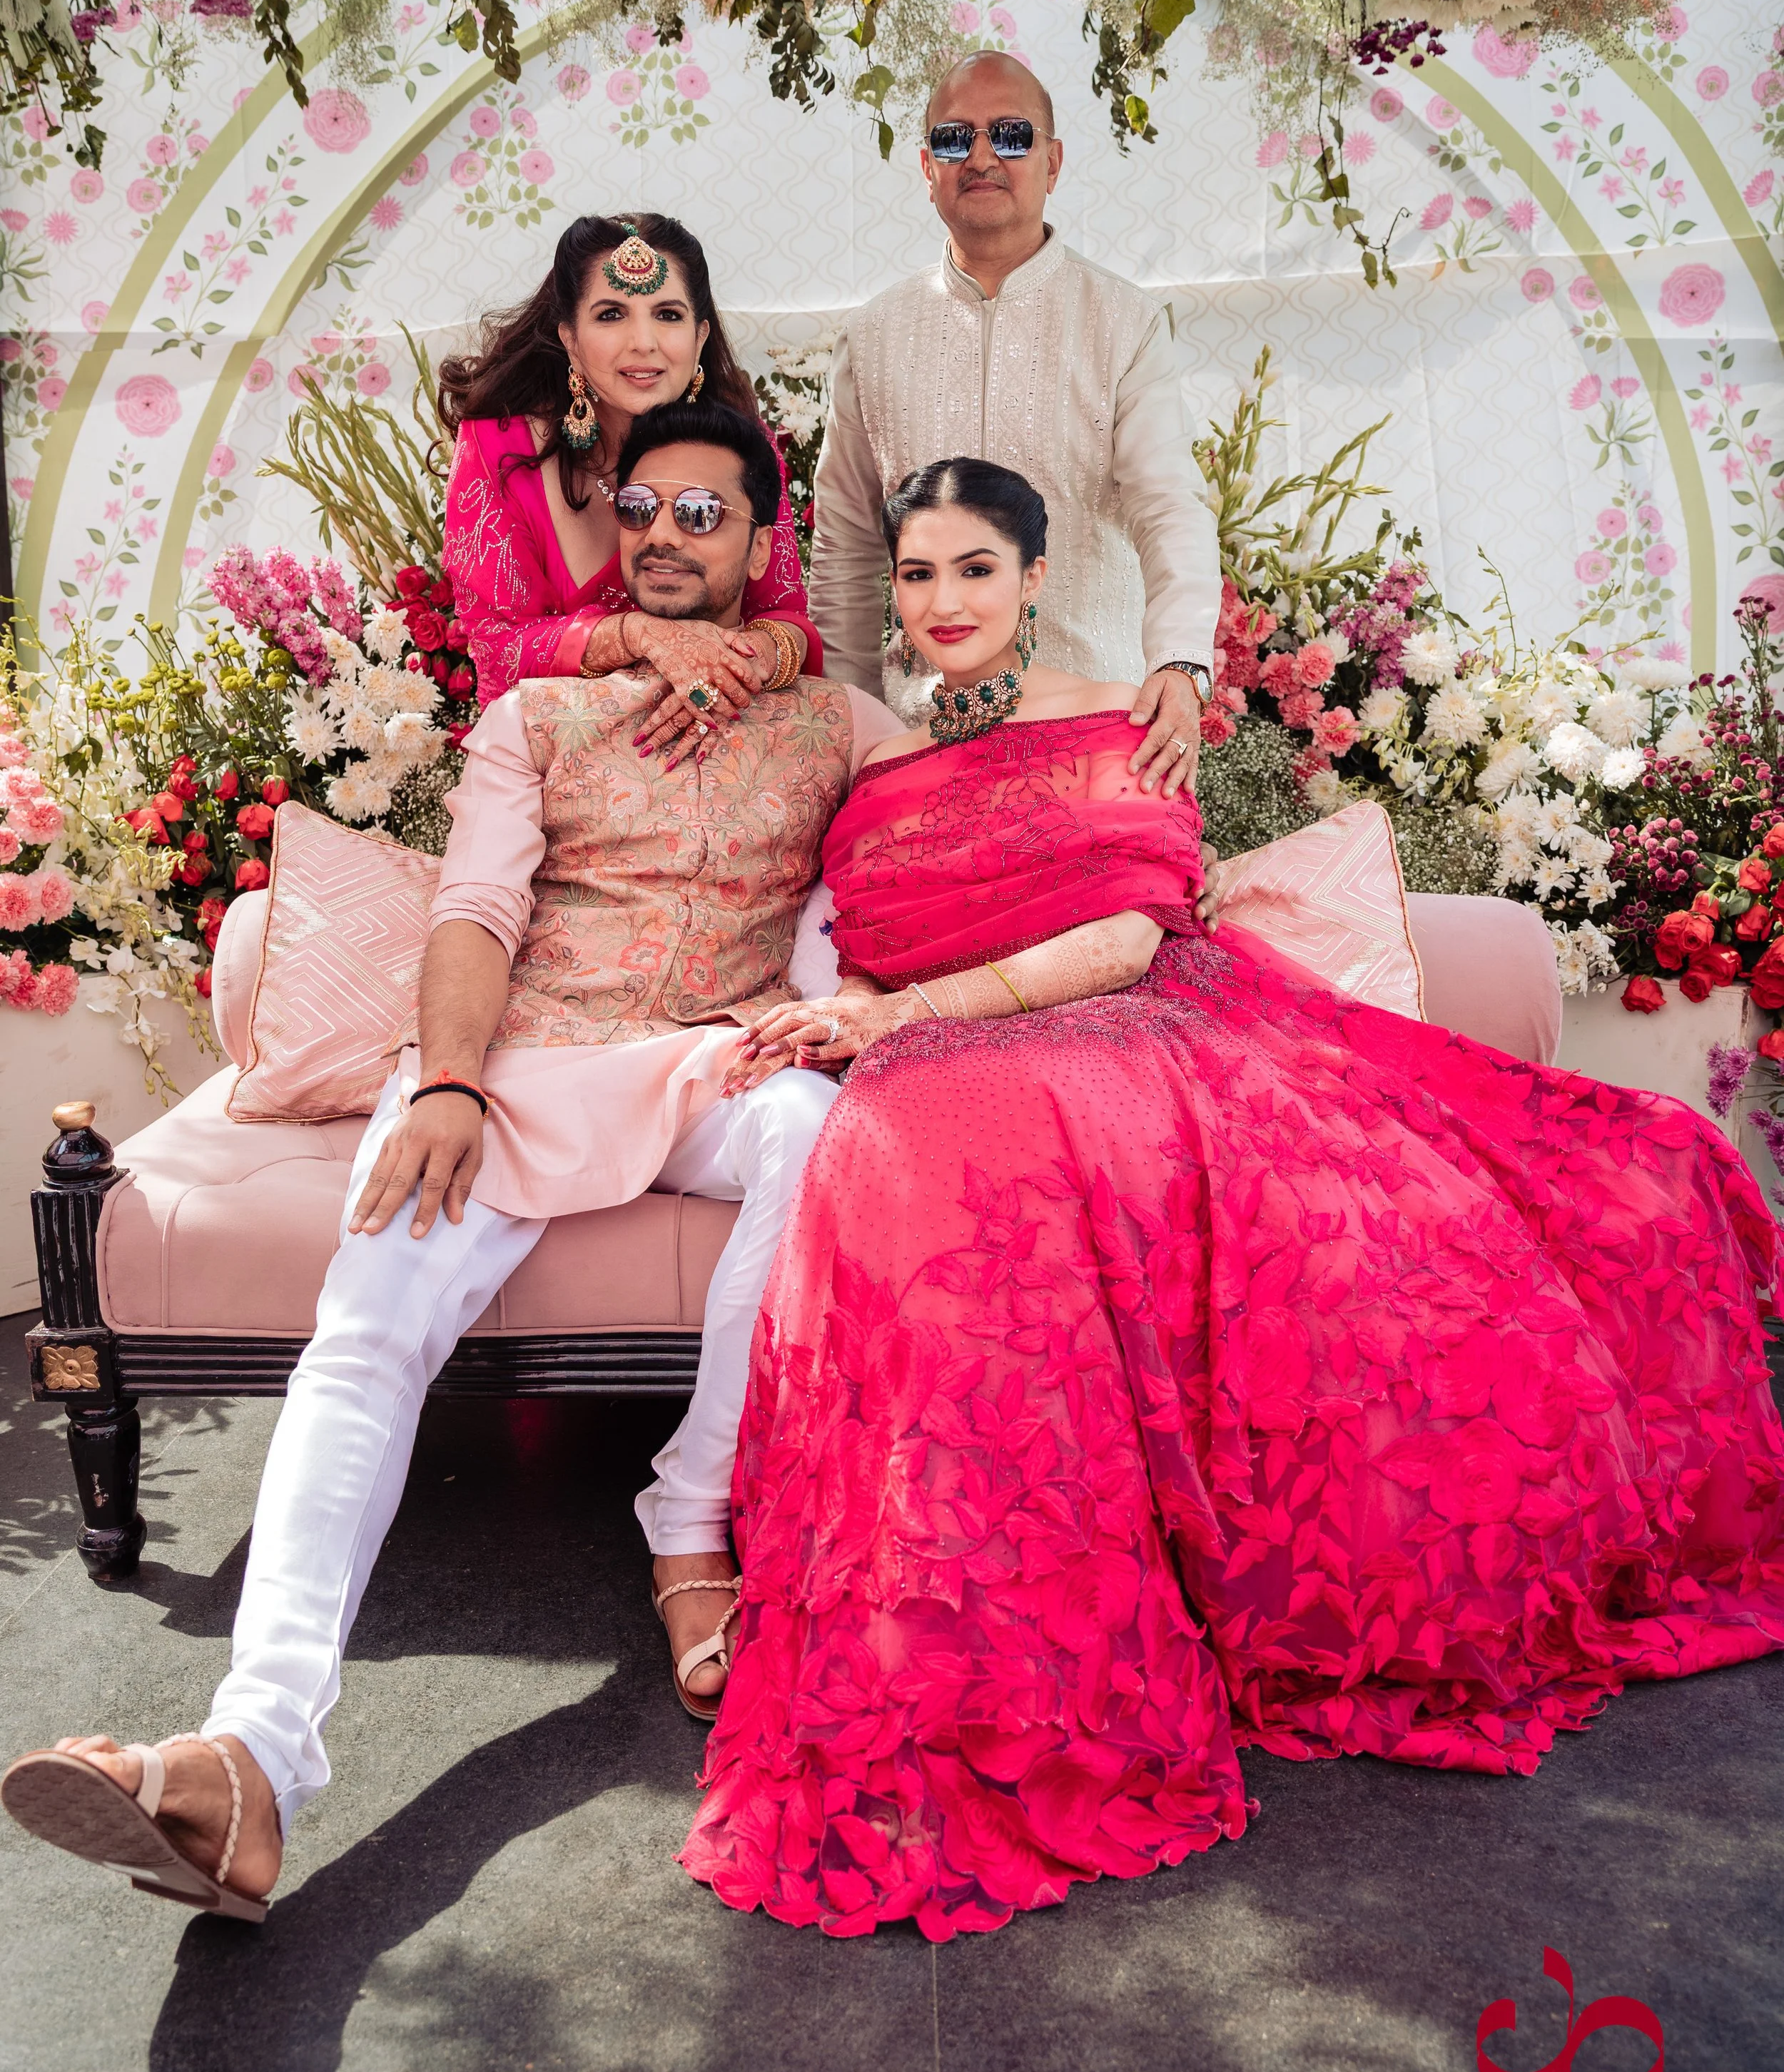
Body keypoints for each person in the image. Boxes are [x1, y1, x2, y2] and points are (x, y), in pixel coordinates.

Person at [680, 457, 1784, 1941]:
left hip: (1138, 1021)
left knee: (1539, 1177)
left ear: (1029, 576)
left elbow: (1126, 936)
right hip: (933, 1046)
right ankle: (947, 1629)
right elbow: (872, 946)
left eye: (975, 571)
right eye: (920, 574)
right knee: (907, 1155)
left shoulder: (1120, 718)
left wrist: (896, 1018)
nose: (944, 603)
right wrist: (850, 1016)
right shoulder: (872, 775)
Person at [1, 405, 899, 1922]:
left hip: (713, 1062)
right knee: (362, 1341)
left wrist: (809, 674)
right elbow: (472, 913)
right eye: (643, 508)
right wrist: (449, 1084)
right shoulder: (534, 716)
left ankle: (688, 1512)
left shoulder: (832, 719)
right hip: (530, 1065)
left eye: (706, 514)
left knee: (818, 1129)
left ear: (763, 546)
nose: (669, 536)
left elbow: (960, 814)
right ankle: (249, 1759)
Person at [809, 51, 1218, 798]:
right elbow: (843, 548)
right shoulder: (873, 335)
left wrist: (1182, 662)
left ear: (1054, 162)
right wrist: (852, 723)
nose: (983, 157)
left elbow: (1169, 507)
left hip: (1098, 734)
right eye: (955, 139)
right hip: (925, 736)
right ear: (926, 166)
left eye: (1011, 134)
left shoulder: (1120, 321)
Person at [442, 211, 819, 762]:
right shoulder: (501, 453)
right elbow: (498, 653)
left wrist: (752, 657)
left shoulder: (741, 449)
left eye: (667, 314)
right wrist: (641, 636)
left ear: (701, 334)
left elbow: (787, 618)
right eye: (612, 314)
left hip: (722, 750)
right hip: (551, 772)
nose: (643, 343)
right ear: (569, 338)